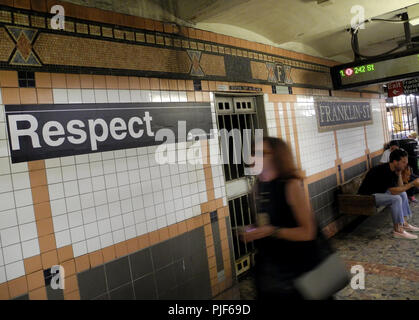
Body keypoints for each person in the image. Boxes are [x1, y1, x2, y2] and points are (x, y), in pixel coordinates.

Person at [240, 137, 327, 299]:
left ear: (276, 157)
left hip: (298, 268)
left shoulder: (290, 186)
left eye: (259, 153)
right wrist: (253, 229)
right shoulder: (257, 188)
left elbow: (308, 232)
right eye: (251, 152)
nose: (252, 157)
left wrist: (273, 231)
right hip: (271, 269)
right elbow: (266, 222)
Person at [358, 148, 419, 239]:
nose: (406, 164)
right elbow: (393, 191)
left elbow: (401, 188)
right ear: (395, 161)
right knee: (396, 199)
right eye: (403, 162)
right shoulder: (383, 170)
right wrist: (412, 183)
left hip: (380, 193)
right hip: (367, 196)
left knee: (402, 194)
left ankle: (404, 224)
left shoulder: (393, 169)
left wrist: (399, 175)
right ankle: (398, 230)